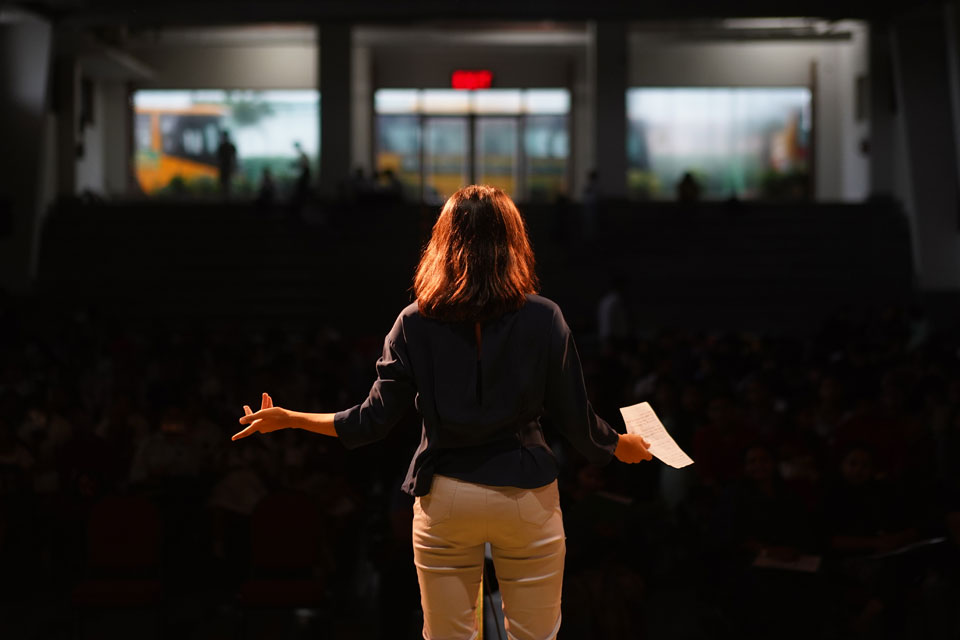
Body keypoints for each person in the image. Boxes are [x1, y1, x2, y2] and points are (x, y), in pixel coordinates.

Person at [231, 184, 654, 639]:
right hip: (526, 495)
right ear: (513, 240)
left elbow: (369, 422)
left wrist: (291, 418)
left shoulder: (412, 322)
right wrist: (619, 445)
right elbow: (576, 418)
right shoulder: (544, 317)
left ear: (444, 240)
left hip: (447, 496)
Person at [216, 130, 237, 198]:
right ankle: (227, 195)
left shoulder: (222, 146)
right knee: (227, 183)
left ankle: (225, 196)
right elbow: (234, 158)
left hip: (225, 167)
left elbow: (219, 158)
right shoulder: (230, 146)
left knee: (225, 183)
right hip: (227, 167)